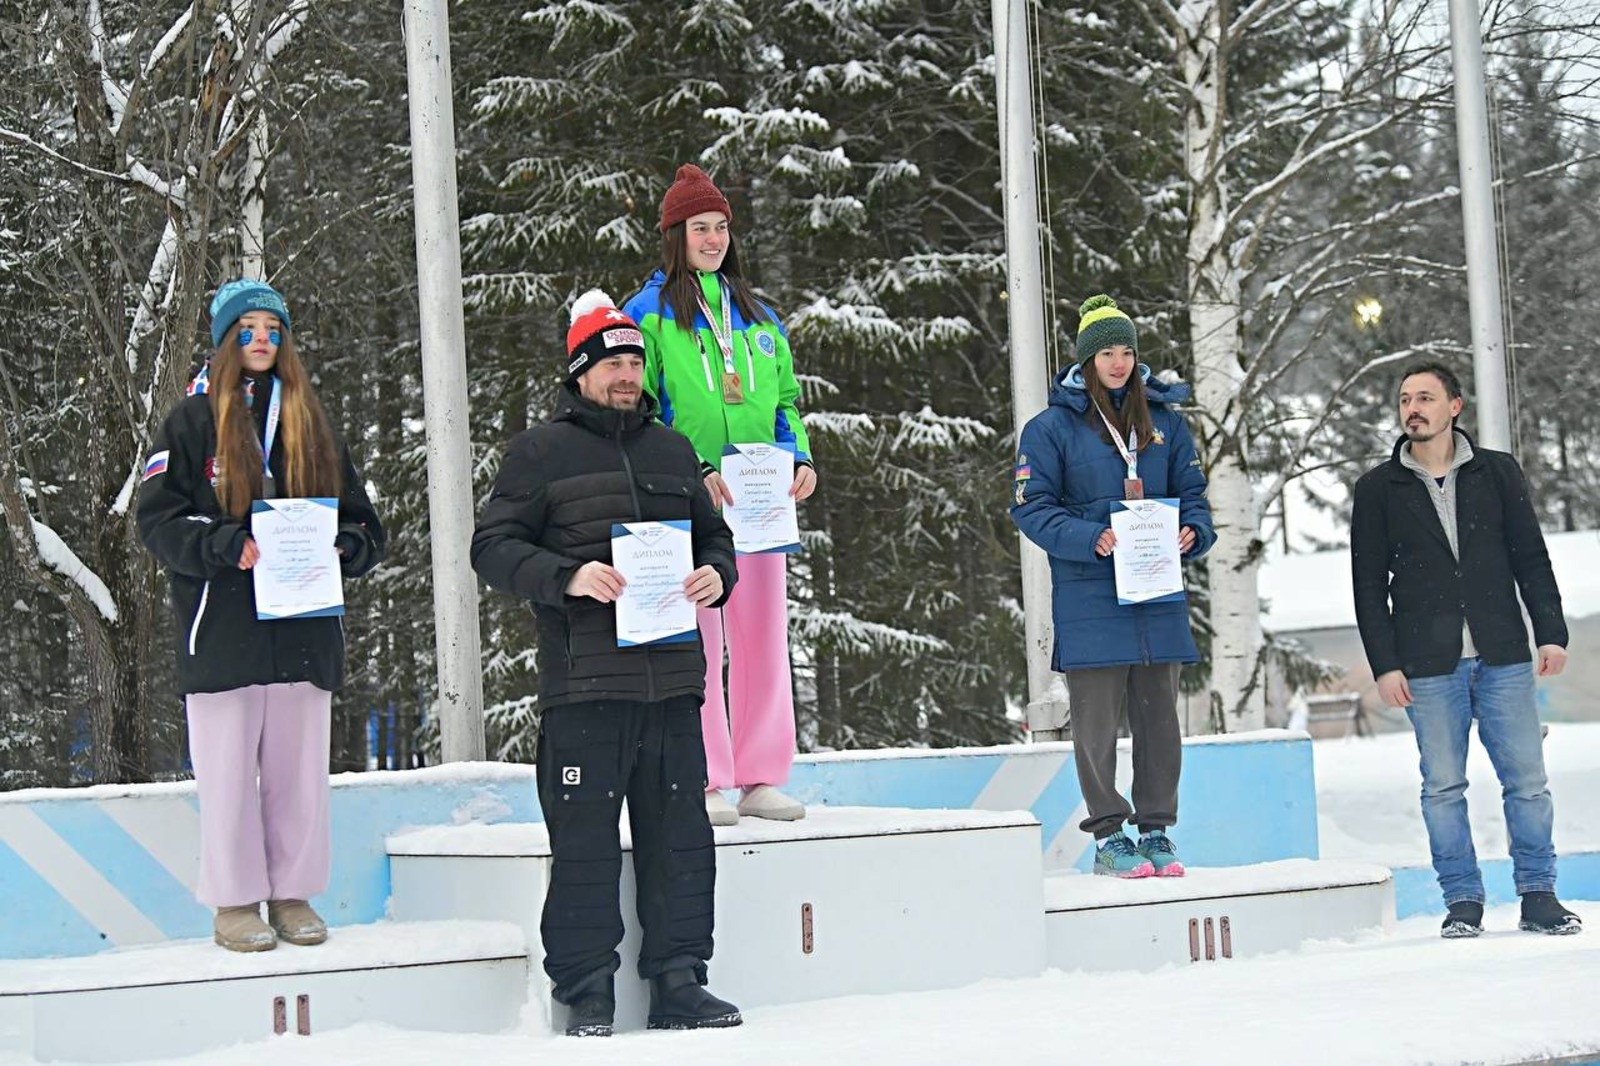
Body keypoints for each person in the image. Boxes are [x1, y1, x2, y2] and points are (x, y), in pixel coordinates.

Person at [471, 290, 743, 1037]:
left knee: (681, 838)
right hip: (585, 686)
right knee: (584, 843)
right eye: (612, 364)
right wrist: (568, 577)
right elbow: (492, 548)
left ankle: (680, 980)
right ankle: (587, 990)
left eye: (634, 363)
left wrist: (718, 574)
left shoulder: (673, 449)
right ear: (581, 372)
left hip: (673, 682)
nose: (627, 376)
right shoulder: (539, 452)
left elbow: (714, 538)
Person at [136, 278, 385, 952]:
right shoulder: (191, 421)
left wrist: (348, 544)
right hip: (223, 631)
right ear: (225, 340)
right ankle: (234, 903)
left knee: (299, 775)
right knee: (227, 777)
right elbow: (156, 519)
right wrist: (221, 544)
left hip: (304, 628)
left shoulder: (311, 420)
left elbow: (363, 519)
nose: (262, 340)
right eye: (248, 329)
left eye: (273, 331)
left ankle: (293, 895)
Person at [1350, 361, 1581, 938]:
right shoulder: (1378, 489)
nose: (1413, 408)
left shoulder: (1498, 472)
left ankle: (1538, 895)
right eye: (1406, 399)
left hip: (1503, 653)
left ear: (1455, 406)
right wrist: (1385, 665)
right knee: (1443, 788)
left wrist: (1551, 631)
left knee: (1527, 782)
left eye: (1425, 397)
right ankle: (1463, 901)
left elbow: (1530, 556)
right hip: (1427, 663)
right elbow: (1368, 586)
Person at [623, 163, 813, 827]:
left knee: (761, 636)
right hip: (688, 498)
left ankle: (760, 775)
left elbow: (784, 401)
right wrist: (688, 468)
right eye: (699, 227)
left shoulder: (757, 314)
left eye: (721, 227)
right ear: (675, 235)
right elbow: (641, 405)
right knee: (696, 639)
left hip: (759, 500)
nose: (713, 239)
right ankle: (700, 775)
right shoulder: (648, 313)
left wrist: (799, 457)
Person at [1010, 295, 1215, 879]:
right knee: (1096, 726)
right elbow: (1030, 507)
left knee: (1160, 722)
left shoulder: (1165, 423)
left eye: (1126, 351)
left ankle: (1156, 829)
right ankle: (1109, 837)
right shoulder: (1050, 428)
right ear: (1087, 360)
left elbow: (1195, 497)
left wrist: (1192, 532)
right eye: (1107, 353)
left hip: (1156, 593)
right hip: (1090, 596)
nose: (1119, 362)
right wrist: (1090, 536)